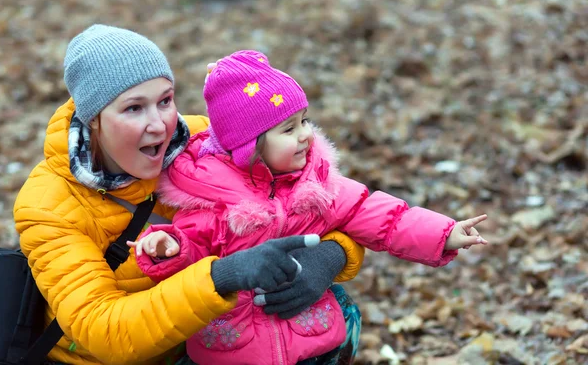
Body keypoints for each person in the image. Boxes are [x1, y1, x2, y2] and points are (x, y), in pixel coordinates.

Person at [13, 26, 366, 365]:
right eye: (134, 108)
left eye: (165, 100)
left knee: (333, 308)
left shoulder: (203, 144)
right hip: (113, 359)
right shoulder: (47, 204)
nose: (159, 124)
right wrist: (222, 275)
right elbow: (104, 330)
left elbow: (332, 202)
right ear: (93, 119)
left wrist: (329, 256)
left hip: (205, 342)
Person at [131, 50, 489, 365]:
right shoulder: (213, 202)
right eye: (288, 129)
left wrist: (444, 234)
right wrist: (168, 248)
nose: (306, 134)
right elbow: (195, 259)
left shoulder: (314, 186)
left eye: (304, 121)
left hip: (312, 341)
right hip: (235, 350)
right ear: (247, 146)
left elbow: (383, 216)